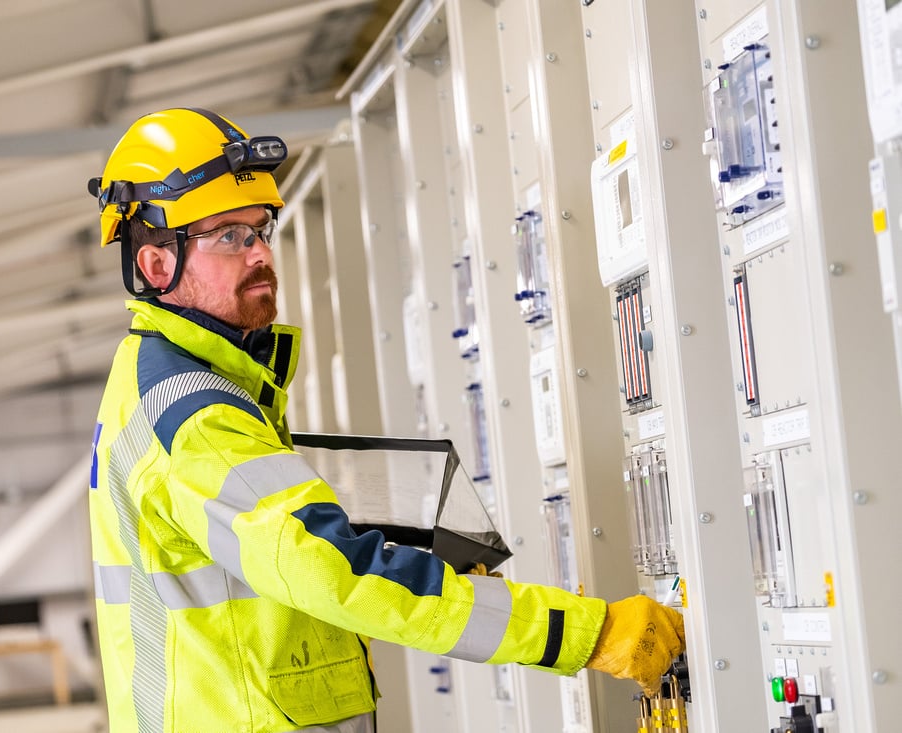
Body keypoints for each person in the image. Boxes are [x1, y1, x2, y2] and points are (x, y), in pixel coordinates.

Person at [86, 107, 685, 733]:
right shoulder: (195, 414)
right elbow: (329, 570)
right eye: (229, 237)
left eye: (261, 229)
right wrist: (586, 632)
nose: (260, 254)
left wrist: (413, 545)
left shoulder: (180, 386)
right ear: (157, 265)